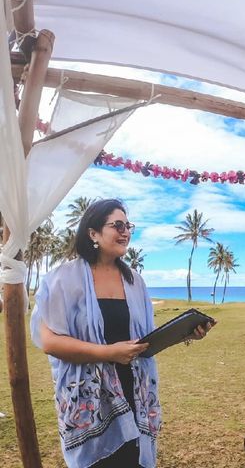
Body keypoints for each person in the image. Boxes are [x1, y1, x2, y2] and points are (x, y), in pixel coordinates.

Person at [30, 199, 212, 468]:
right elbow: (49, 341)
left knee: (131, 461)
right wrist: (109, 353)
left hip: (134, 389)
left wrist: (185, 333)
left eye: (128, 226)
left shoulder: (134, 281)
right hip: (90, 399)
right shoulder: (62, 279)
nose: (125, 231)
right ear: (93, 233)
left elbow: (145, 341)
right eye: (117, 225)